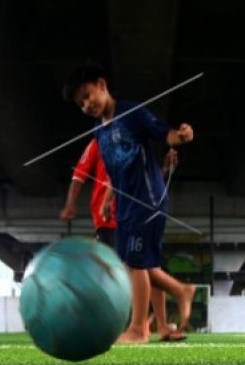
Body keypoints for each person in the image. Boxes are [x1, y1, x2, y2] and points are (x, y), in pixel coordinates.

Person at [63, 62, 196, 344]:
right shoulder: (99, 132)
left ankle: (138, 329)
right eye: (80, 103)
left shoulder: (132, 113)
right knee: (133, 262)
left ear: (102, 85)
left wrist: (181, 136)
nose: (86, 104)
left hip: (147, 198)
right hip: (125, 205)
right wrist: (109, 199)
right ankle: (181, 291)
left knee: (135, 264)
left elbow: (164, 133)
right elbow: (114, 170)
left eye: (87, 95)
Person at [60, 140, 184, 341]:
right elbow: (79, 174)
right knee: (131, 271)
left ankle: (153, 326)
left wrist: (166, 168)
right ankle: (140, 325)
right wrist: (70, 203)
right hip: (108, 219)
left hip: (135, 214)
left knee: (146, 267)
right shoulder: (98, 142)